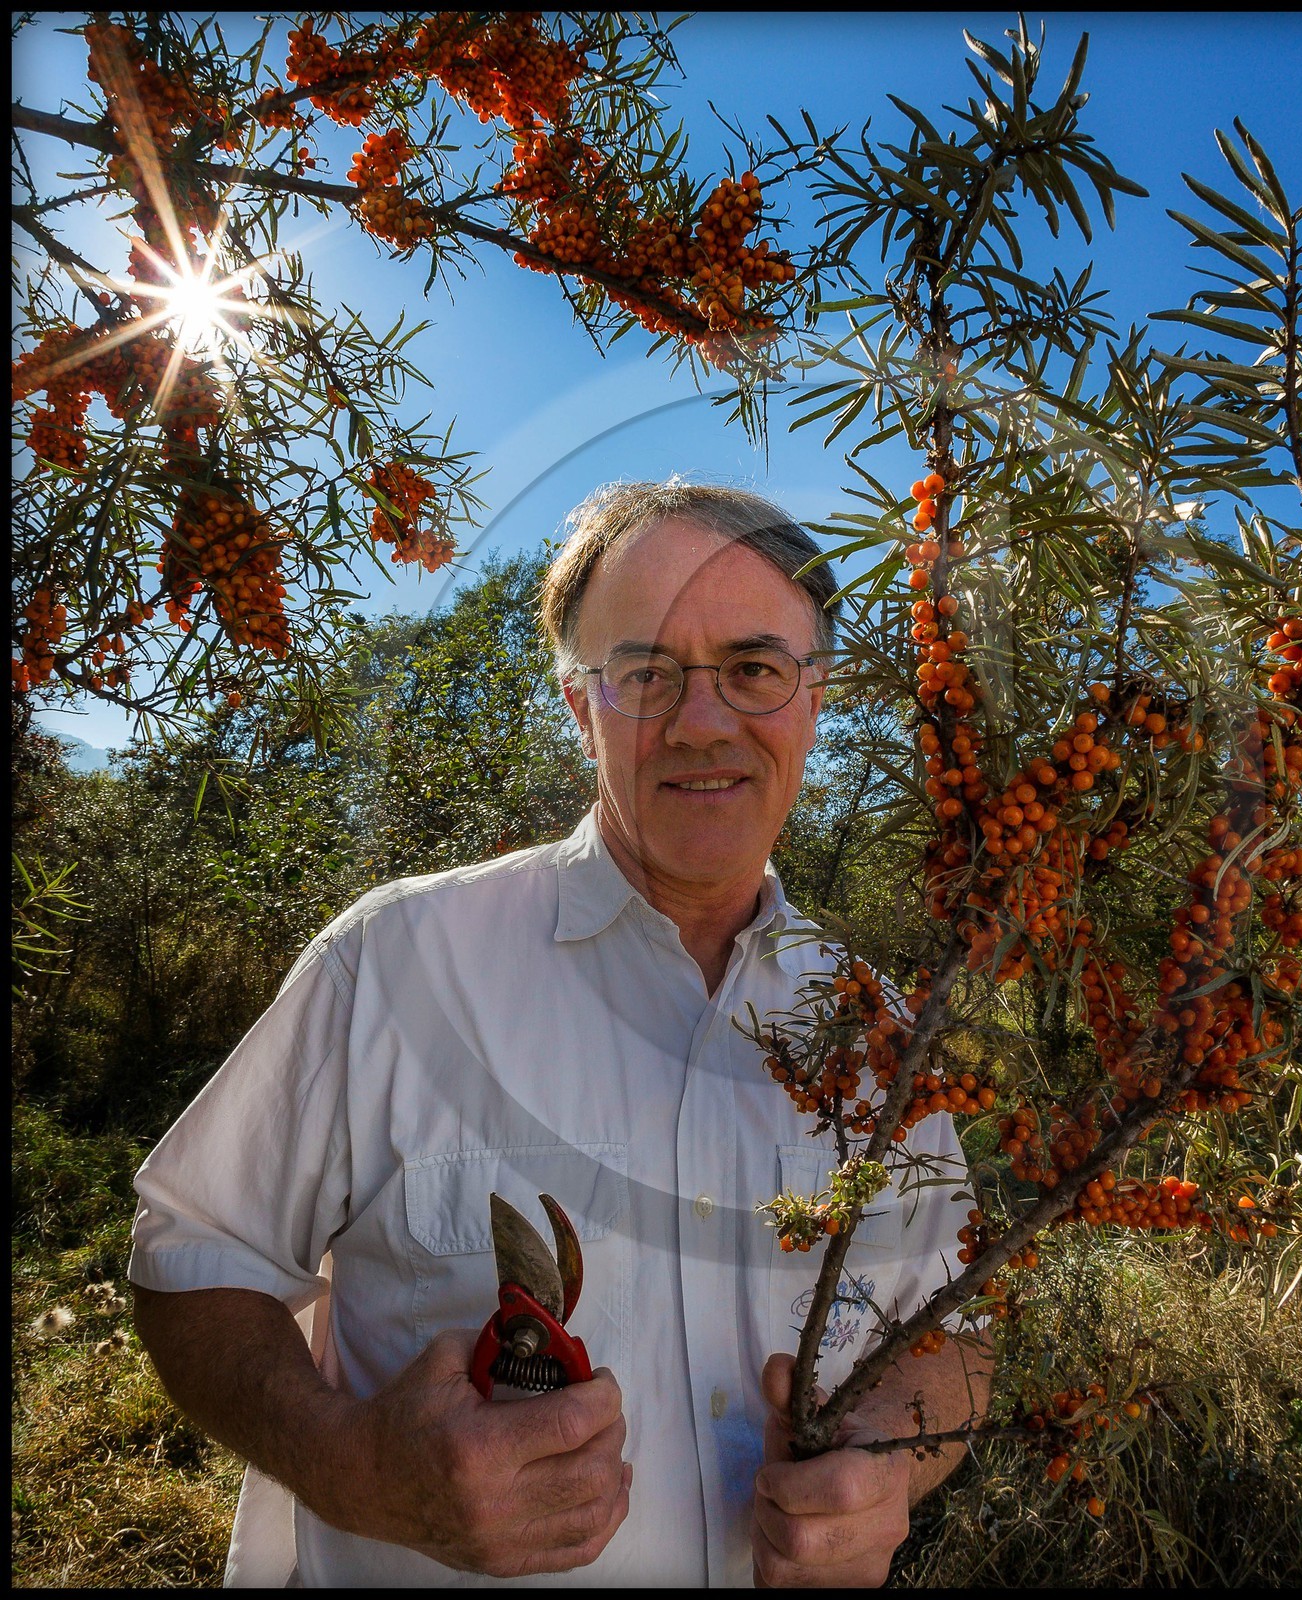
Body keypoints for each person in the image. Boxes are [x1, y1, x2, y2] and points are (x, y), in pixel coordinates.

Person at [129, 480, 991, 1587]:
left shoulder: (881, 1035)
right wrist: (353, 1467)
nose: (700, 720)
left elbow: (950, 1332)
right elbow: (193, 1256)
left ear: (812, 698)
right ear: (581, 708)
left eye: (753, 668)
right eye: (644, 673)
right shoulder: (393, 963)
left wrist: (889, 1464)